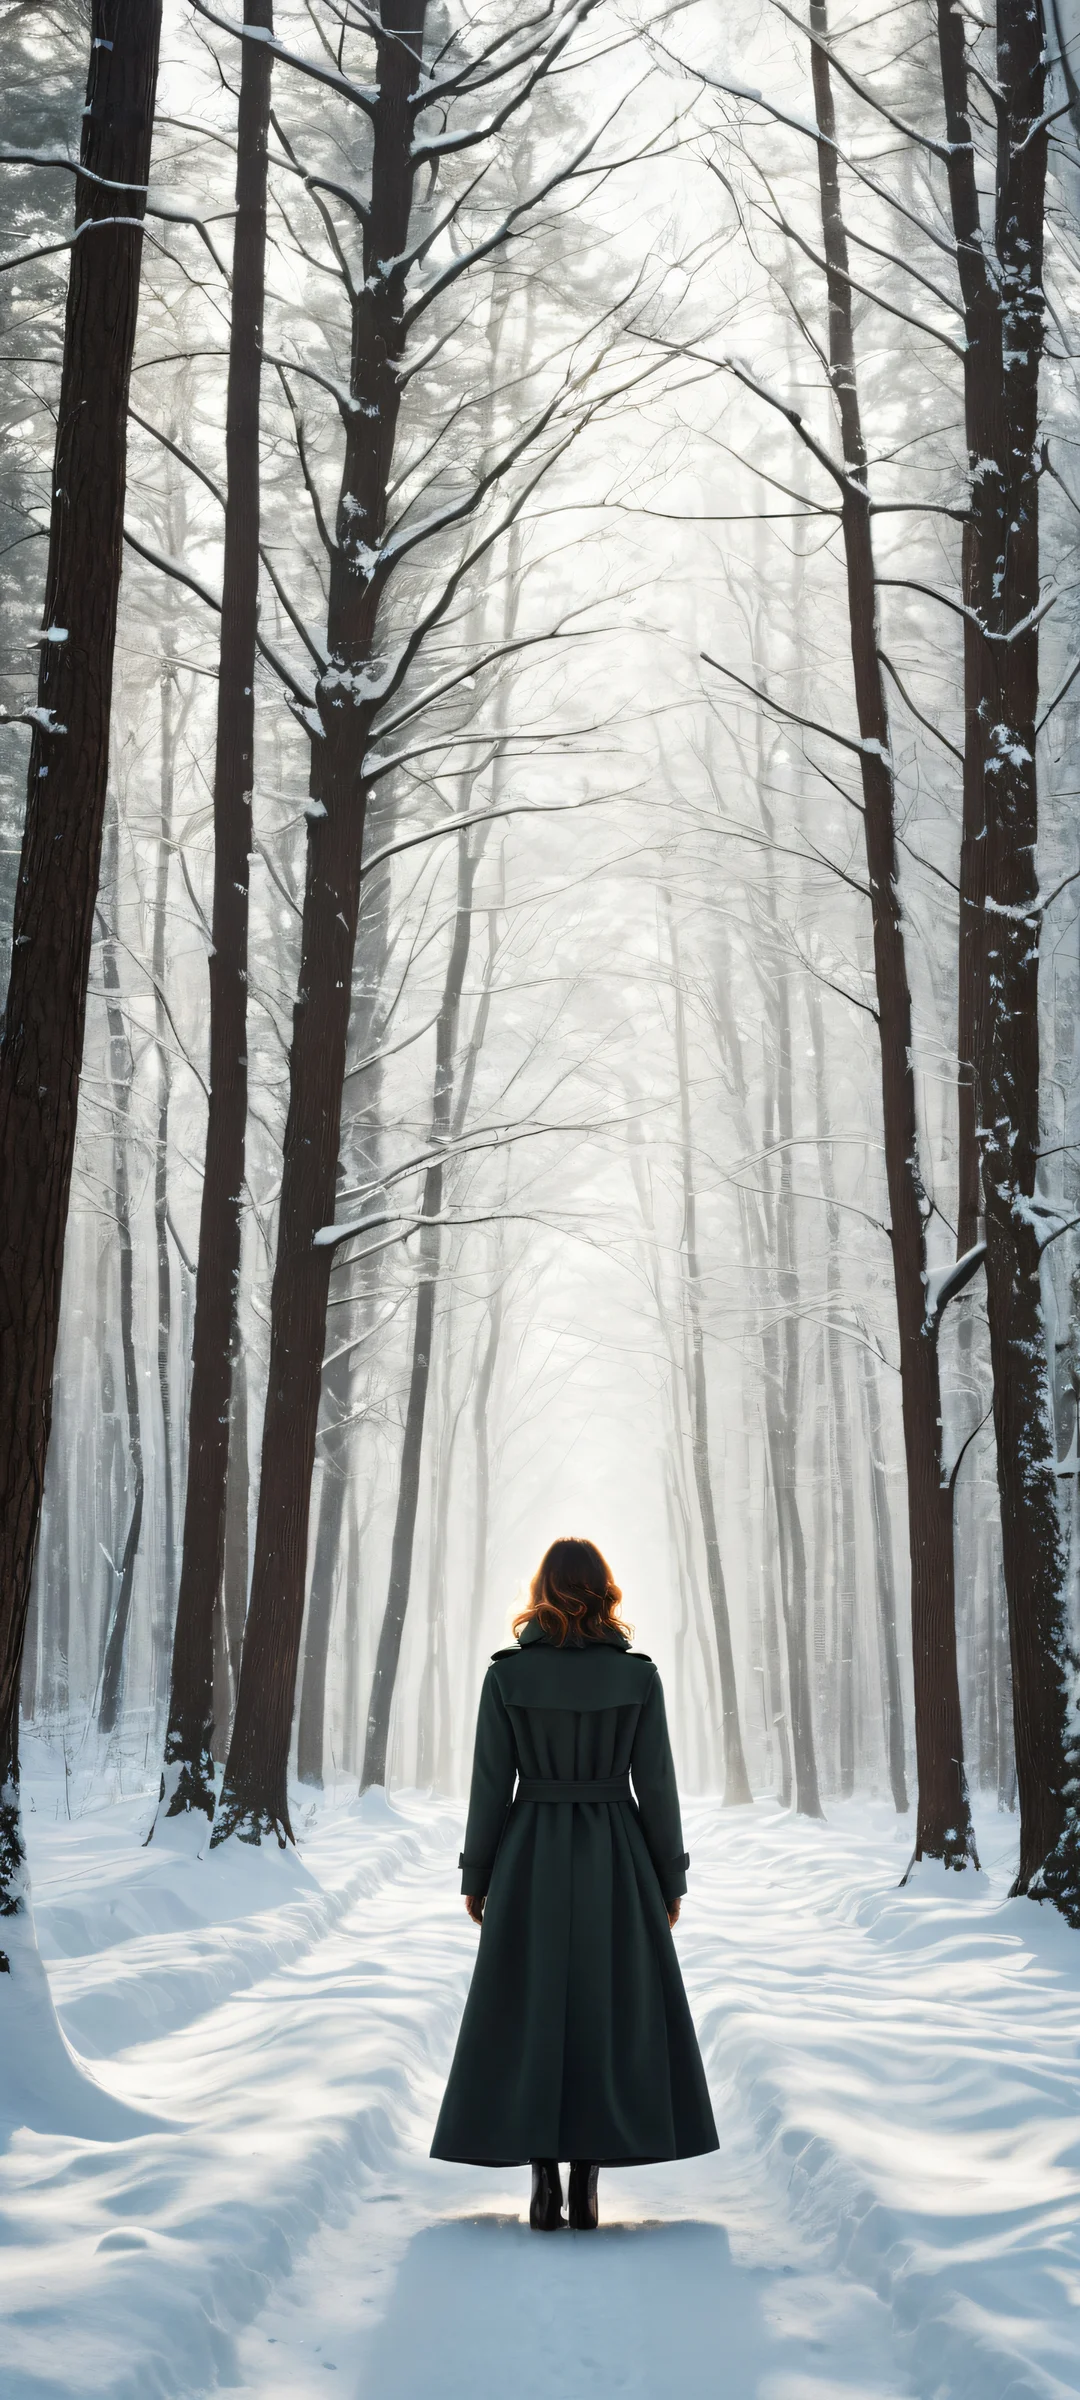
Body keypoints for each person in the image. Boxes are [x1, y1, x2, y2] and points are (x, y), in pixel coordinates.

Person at [430, 1536, 718, 2230]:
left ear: (541, 1589)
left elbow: (490, 1786)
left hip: (530, 1851)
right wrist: (669, 1877)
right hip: (616, 1853)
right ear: (605, 1590)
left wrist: (478, 1873)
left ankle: (542, 2183)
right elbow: (656, 1786)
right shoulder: (638, 1677)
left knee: (529, 2004)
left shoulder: (507, 1677)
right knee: (605, 2003)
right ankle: (587, 2181)